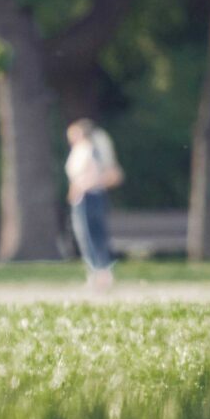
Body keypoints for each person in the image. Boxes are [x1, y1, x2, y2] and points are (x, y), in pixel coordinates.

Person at [65, 118, 123, 290]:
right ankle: (97, 273)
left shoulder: (91, 149)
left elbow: (112, 175)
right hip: (86, 197)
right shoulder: (83, 149)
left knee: (91, 235)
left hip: (89, 196)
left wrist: (84, 186)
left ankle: (101, 273)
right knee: (89, 236)